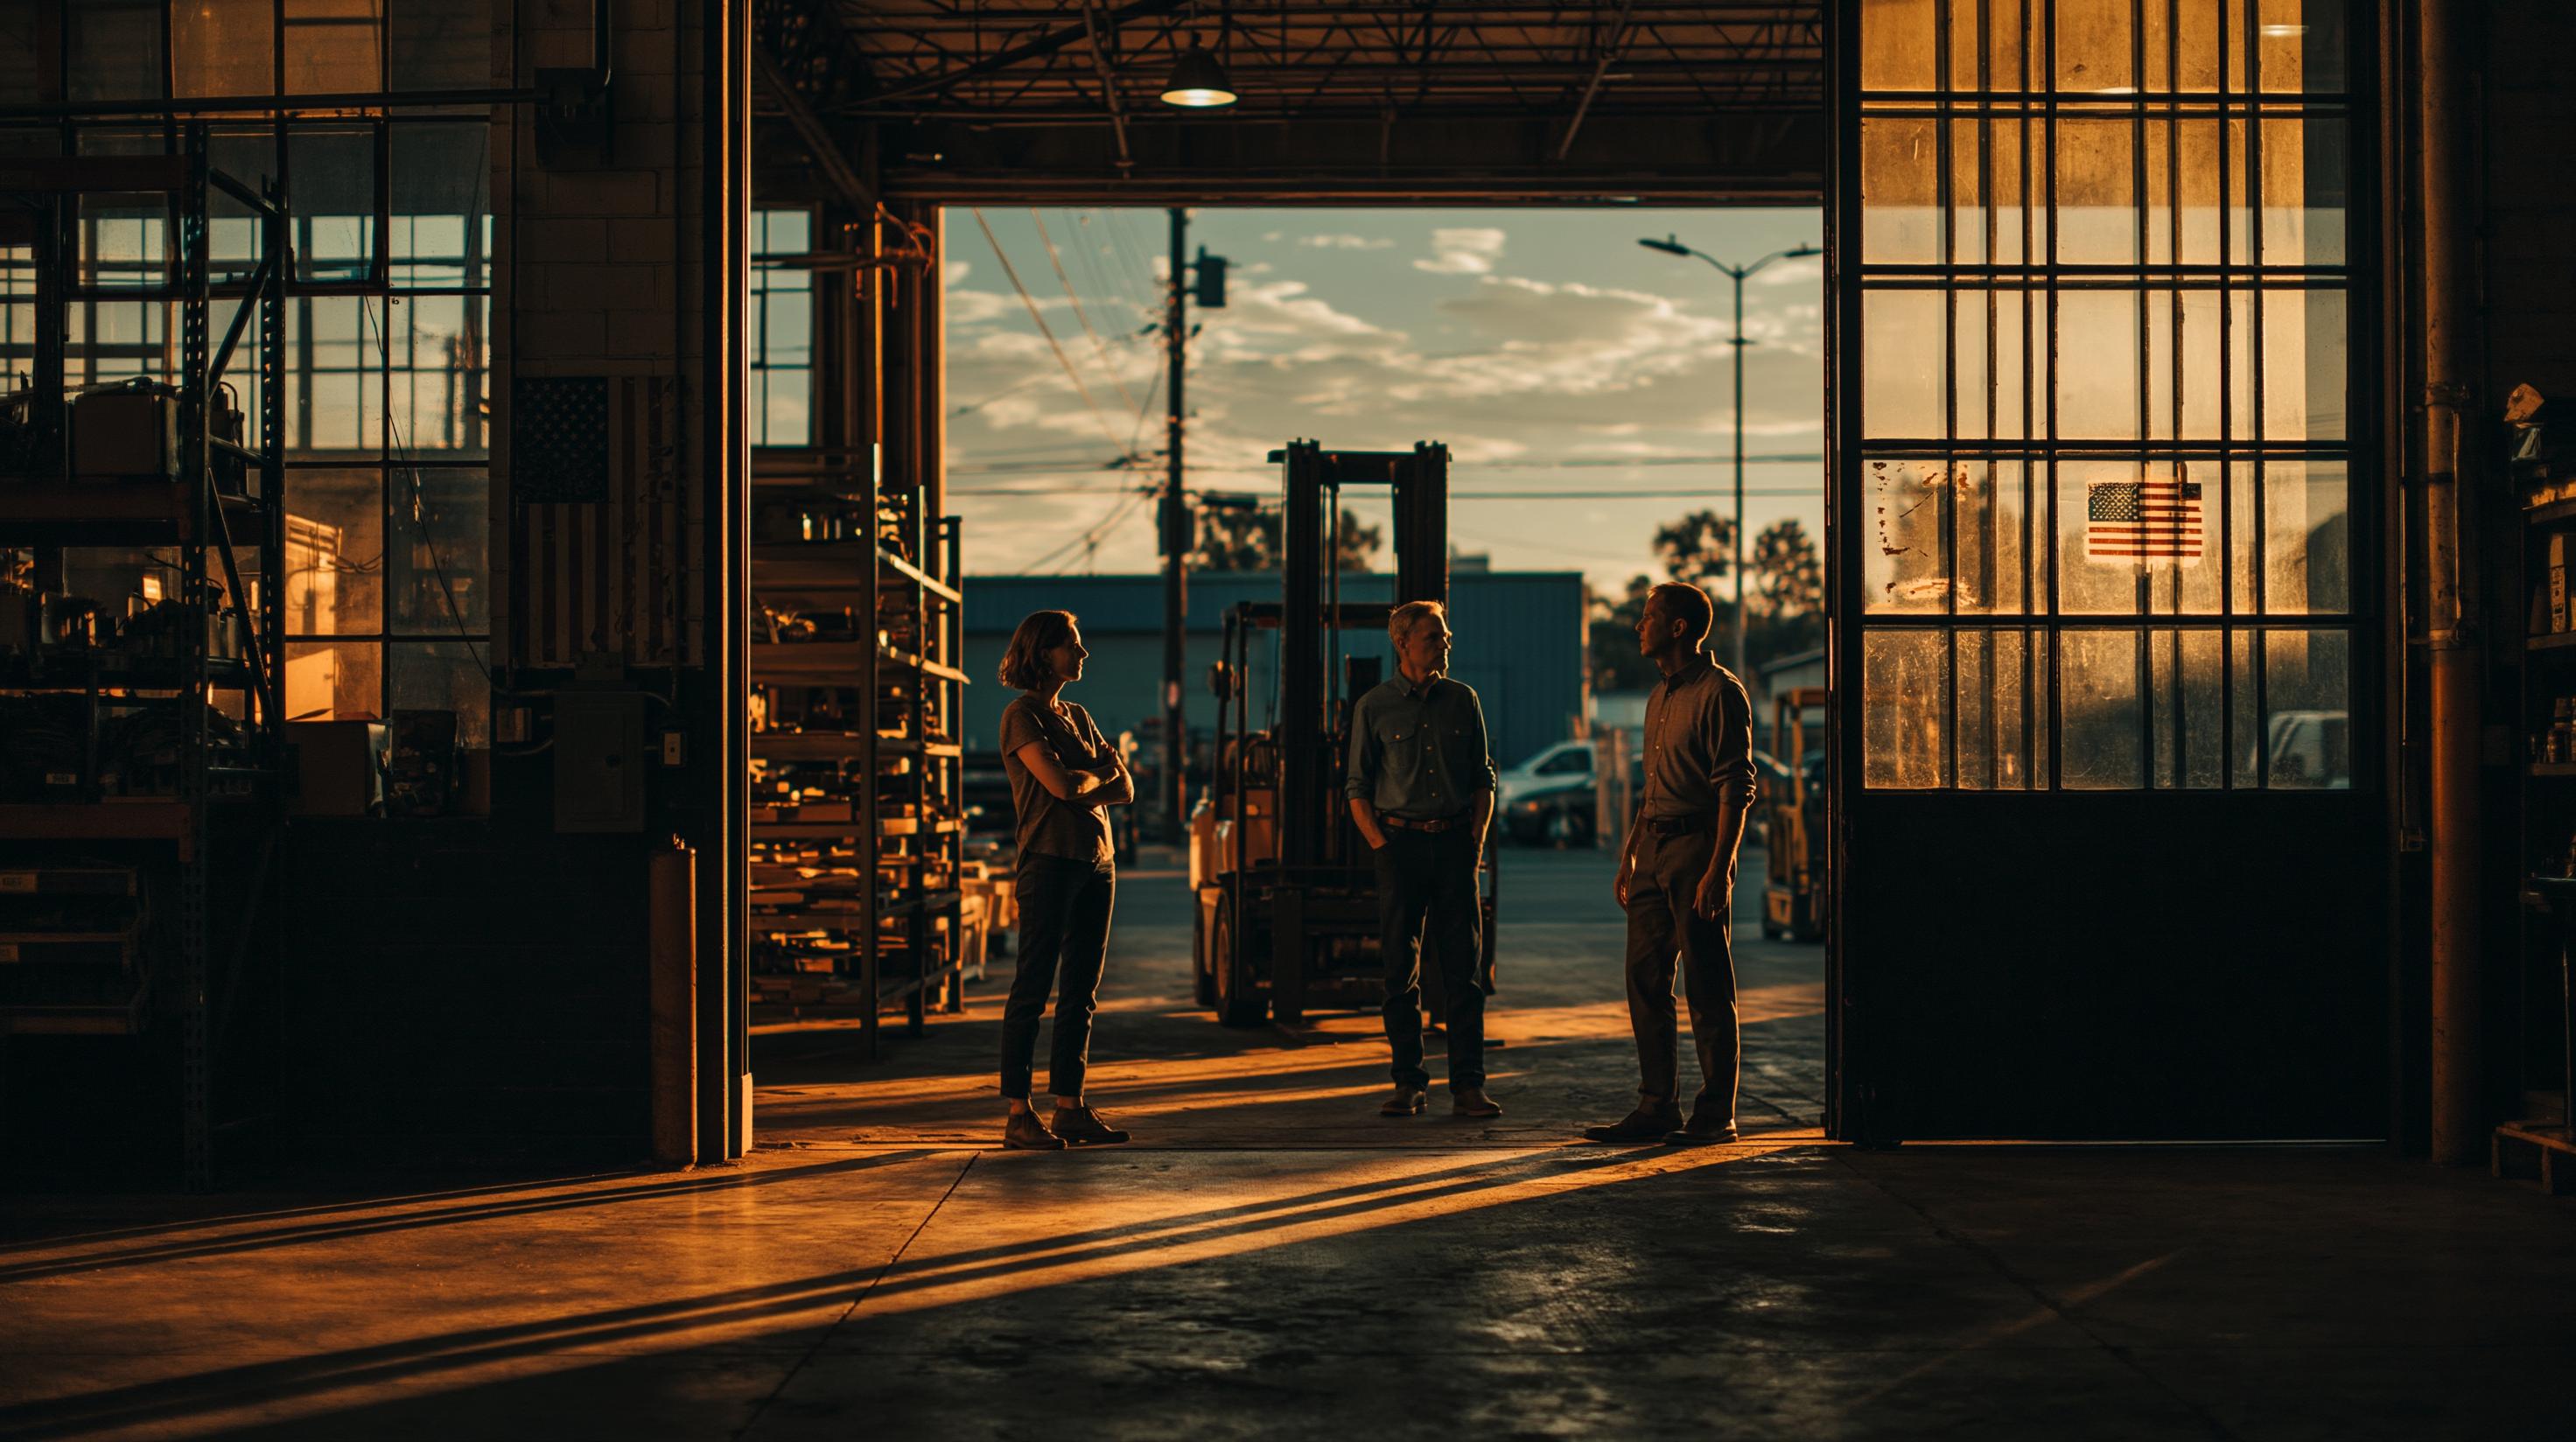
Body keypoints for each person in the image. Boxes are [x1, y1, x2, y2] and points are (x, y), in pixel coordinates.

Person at [1584, 581, 1758, 1145]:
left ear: (1678, 627)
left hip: (1695, 849)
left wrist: (1719, 868)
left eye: (1649, 616)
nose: (1640, 626)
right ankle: (1657, 1106)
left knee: (1708, 983)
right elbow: (1650, 786)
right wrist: (1630, 852)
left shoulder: (1719, 692)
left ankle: (1714, 1116)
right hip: (1653, 850)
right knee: (1645, 979)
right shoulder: (1658, 697)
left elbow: (1736, 786)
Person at [1347, 598, 1502, 1120]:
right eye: (1434, 635)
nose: (1445, 642)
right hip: (1400, 847)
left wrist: (1475, 841)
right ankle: (1408, 1083)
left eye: (1445, 634)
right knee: (1400, 972)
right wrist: (1382, 849)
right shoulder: (1374, 707)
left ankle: (1468, 1087)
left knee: (1465, 972)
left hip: (1456, 845)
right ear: (1402, 641)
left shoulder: (1464, 700)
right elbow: (1357, 788)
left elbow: (1483, 778)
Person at [994, 610, 1135, 1151]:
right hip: (1049, 860)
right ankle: (1018, 1114)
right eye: (1073, 646)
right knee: (1032, 987)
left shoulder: (1076, 713)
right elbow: (1059, 786)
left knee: (1082, 990)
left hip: (1098, 859)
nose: (1083, 655)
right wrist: (1098, 775)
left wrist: (1091, 780)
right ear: (1042, 651)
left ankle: (1070, 1108)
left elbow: (1123, 789)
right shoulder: (1021, 716)